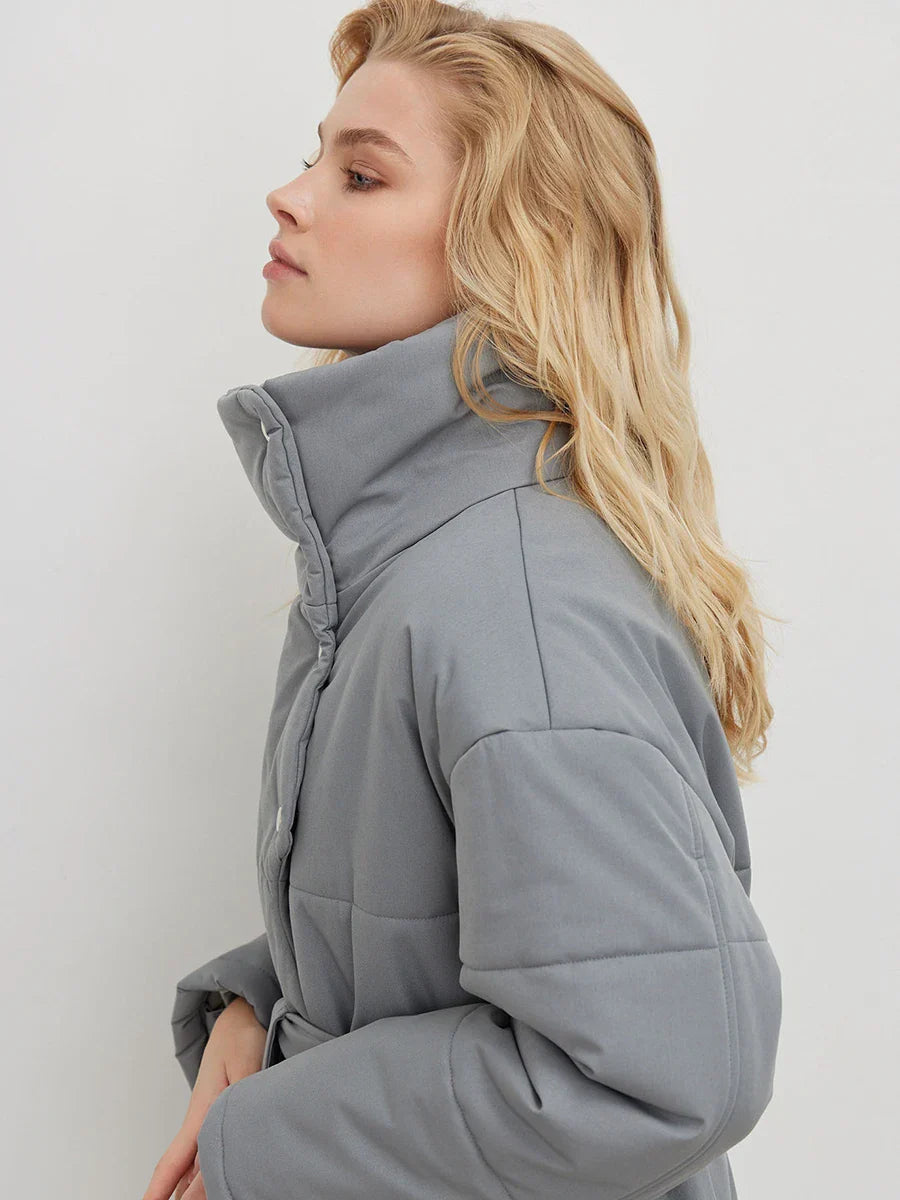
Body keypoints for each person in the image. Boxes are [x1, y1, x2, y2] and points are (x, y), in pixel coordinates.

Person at [144, 2, 783, 1198]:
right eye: (314, 156)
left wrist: (268, 1132)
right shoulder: (409, 557)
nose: (289, 196)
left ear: (507, 242)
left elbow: (655, 1076)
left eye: (361, 175)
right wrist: (262, 1003)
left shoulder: (515, 602)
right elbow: (450, 914)